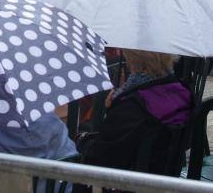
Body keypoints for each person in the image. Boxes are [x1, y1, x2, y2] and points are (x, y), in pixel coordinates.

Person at [76, 49, 194, 178]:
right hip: (168, 177)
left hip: (132, 181)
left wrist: (82, 141)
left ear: (131, 60)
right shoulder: (182, 92)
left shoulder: (132, 105)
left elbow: (105, 155)